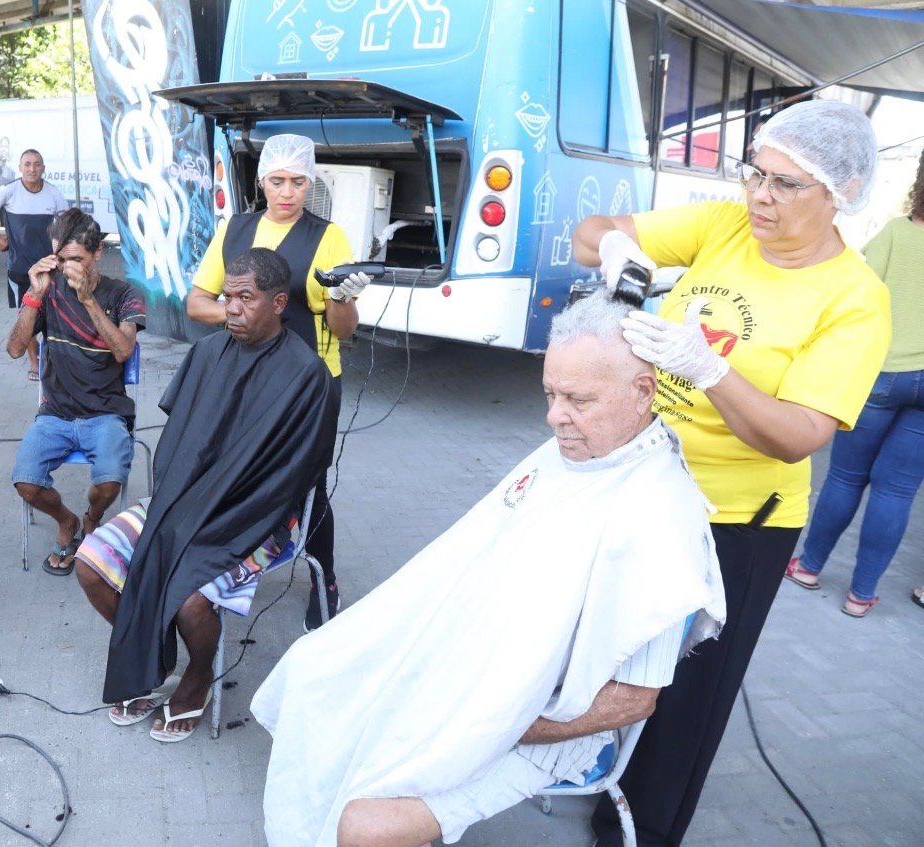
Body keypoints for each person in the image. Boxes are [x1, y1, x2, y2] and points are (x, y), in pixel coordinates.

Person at [250, 291, 725, 846]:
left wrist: (495, 721)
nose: (555, 417)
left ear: (643, 391)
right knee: (319, 672)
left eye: (577, 399)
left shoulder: (658, 518)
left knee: (364, 825)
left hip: (546, 725)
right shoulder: (573, 454)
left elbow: (633, 699)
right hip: (475, 672)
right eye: (549, 393)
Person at [572, 99, 891, 847]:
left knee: (690, 687)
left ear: (838, 193)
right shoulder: (724, 225)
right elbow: (593, 233)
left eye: (785, 184)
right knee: (607, 642)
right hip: (642, 479)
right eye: (754, 172)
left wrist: (706, 367)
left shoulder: (854, 300)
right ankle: (586, 764)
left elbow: (798, 436)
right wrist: (617, 251)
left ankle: (643, 826)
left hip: (738, 520)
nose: (759, 196)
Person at [77, 247, 340, 742]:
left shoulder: (309, 377)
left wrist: (216, 515)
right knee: (90, 565)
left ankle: (197, 677)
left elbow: (292, 477)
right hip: (181, 502)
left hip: (255, 518)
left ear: (279, 302)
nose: (232, 309)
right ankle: (155, 656)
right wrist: (178, 505)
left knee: (191, 600)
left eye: (246, 298)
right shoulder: (206, 353)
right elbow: (182, 443)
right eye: (227, 297)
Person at [185, 133, 370, 630]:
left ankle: (323, 576)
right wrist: (242, 315)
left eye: (298, 181)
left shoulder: (328, 236)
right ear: (261, 180)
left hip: (309, 381)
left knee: (308, 483)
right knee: (235, 469)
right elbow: (197, 302)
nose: (288, 192)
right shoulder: (237, 229)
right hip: (242, 376)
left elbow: (344, 329)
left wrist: (342, 297)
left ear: (311, 182)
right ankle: (227, 561)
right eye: (277, 180)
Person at [786, 152, 924, 616]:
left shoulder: (896, 235)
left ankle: (808, 567)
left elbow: (854, 296)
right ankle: (861, 595)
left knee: (845, 477)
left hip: (879, 377)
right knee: (896, 491)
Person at [7, 208, 145, 574]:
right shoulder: (47, 289)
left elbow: (122, 351)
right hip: (56, 413)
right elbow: (15, 349)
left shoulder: (124, 294)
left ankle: (92, 519)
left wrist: (87, 299)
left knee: (111, 480)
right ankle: (66, 521)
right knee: (25, 482)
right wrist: (34, 297)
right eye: (60, 258)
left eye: (76, 260)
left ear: (98, 252)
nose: (66, 268)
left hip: (105, 412)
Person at [0, 149, 68, 379]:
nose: (32, 169)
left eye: (37, 164)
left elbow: (68, 222)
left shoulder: (53, 193)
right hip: (19, 268)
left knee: (52, 314)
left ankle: (51, 356)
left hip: (48, 268)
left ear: (43, 168)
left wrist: (63, 254)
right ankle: (33, 361)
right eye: (27, 164)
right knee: (26, 315)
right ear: (20, 168)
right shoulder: (10, 190)